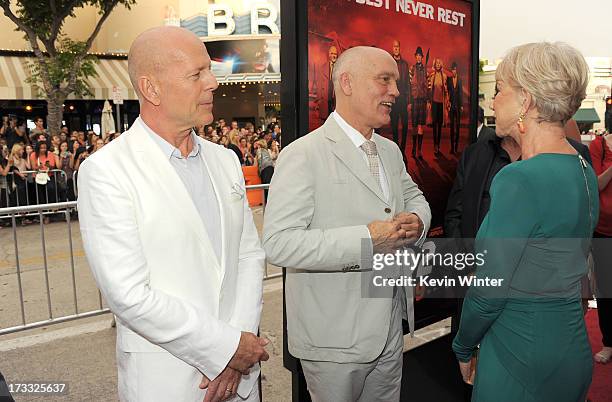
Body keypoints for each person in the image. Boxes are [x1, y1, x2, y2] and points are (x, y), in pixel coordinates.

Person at [77, 26, 269, 402]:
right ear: (152, 88)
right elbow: (129, 294)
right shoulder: (107, 171)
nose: (213, 83)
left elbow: (248, 256)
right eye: (197, 74)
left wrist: (237, 350)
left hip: (240, 378)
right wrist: (226, 347)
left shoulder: (224, 160)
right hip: (167, 382)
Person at [263, 46, 431, 401]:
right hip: (333, 340)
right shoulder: (303, 155)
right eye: (384, 80)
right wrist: (367, 240)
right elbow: (279, 243)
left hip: (389, 327)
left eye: (396, 83)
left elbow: (415, 197)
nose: (396, 92)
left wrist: (418, 220)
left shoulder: (389, 151)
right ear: (347, 82)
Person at [452, 42, 598, 402]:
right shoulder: (582, 167)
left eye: (500, 90)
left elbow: (489, 289)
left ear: (526, 101)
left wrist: (463, 345)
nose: (493, 100)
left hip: (519, 358)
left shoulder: (520, 179)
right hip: (570, 350)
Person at [589, 131, 612, 364]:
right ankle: (609, 342)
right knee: (606, 290)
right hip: (604, 230)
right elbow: (595, 184)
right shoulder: (599, 145)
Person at [389, 40, 410, 156]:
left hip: (403, 99)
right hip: (393, 99)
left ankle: (402, 148)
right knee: (394, 126)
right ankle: (397, 148)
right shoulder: (389, 63)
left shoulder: (405, 64)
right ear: (392, 48)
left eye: (397, 46)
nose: (396, 48)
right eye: (394, 46)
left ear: (399, 48)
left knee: (405, 125)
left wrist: (409, 101)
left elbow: (408, 83)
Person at [410, 46, 428, 159]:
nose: (418, 58)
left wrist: (428, 99)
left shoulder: (426, 70)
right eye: (417, 56)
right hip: (414, 99)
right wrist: (409, 101)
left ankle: (419, 150)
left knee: (421, 126)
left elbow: (428, 86)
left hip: (423, 100)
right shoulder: (412, 69)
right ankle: (413, 148)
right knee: (414, 126)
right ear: (415, 57)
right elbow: (409, 84)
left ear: (422, 57)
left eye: (420, 56)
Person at [427, 58, 448, 156]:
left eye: (439, 63)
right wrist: (429, 101)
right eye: (437, 63)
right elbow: (429, 89)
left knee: (439, 125)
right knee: (434, 124)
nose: (438, 64)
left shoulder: (444, 76)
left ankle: (438, 144)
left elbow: (446, 91)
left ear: (441, 65)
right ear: (435, 65)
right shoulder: (432, 76)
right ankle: (435, 145)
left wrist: (447, 100)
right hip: (434, 103)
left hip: (441, 104)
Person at [314, 45, 339, 125]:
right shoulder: (322, 67)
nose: (334, 55)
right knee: (325, 121)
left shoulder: (340, 67)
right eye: (332, 53)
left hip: (335, 99)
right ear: (329, 55)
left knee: (336, 121)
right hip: (325, 98)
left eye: (335, 54)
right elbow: (319, 84)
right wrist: (318, 100)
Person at [446, 62, 463, 154]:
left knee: (458, 127)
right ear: (451, 70)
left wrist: (461, 105)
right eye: (452, 70)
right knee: (452, 128)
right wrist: (448, 104)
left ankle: (456, 147)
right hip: (451, 106)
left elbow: (461, 93)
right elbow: (447, 92)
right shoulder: (449, 80)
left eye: (455, 69)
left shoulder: (460, 80)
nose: (453, 71)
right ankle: (452, 148)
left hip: (458, 106)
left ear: (456, 70)